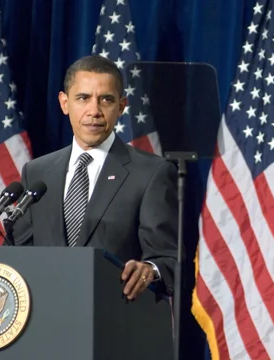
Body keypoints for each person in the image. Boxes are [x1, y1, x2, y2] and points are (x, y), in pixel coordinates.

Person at [11, 55, 178, 300]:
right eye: (83, 98)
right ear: (64, 103)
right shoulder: (37, 172)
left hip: (114, 319)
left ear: (121, 106)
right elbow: (17, 253)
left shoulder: (152, 173)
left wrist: (150, 270)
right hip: (43, 317)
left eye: (106, 100)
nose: (94, 111)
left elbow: (169, 259)